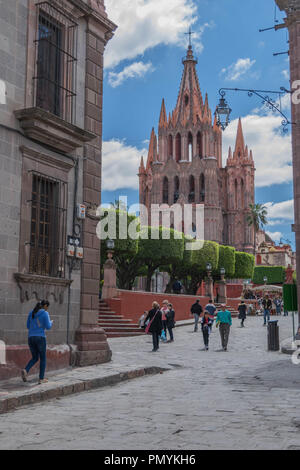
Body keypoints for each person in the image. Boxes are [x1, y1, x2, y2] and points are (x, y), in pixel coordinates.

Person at [21, 300, 53, 384]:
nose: (47, 309)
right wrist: (51, 322)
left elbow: (28, 326)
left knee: (35, 357)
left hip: (30, 338)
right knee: (43, 358)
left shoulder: (31, 312)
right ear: (45, 305)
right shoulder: (45, 313)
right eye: (47, 307)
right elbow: (48, 327)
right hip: (40, 338)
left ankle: (26, 370)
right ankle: (41, 378)